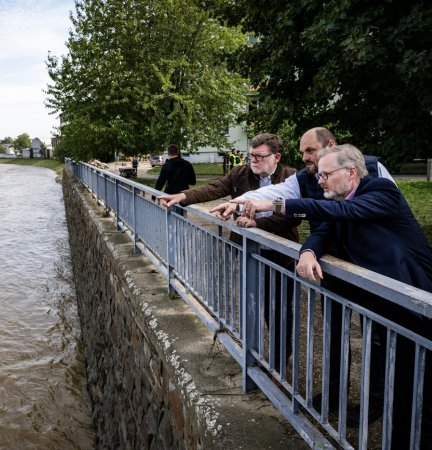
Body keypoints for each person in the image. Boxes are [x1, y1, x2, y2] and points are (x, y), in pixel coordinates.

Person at [234, 144, 432, 448]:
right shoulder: (338, 200)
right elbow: (322, 231)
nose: (320, 180)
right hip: (387, 308)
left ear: (350, 172)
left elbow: (344, 212)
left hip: (417, 306)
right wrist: (309, 251)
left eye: (326, 174)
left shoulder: (380, 190)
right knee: (401, 387)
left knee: (416, 389)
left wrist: (275, 206)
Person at [210, 127, 395, 421]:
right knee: (335, 330)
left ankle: (375, 404)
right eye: (302, 152)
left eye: (310, 151)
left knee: (376, 336)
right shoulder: (306, 178)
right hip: (333, 266)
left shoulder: (373, 172)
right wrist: (237, 203)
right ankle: (334, 393)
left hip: (373, 268)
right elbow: (274, 192)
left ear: (331, 146)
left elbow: (377, 216)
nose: (305, 158)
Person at [158, 133, 299, 376]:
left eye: (259, 156)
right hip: (247, 252)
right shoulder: (240, 174)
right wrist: (182, 196)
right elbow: (215, 188)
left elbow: (297, 214)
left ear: (276, 157)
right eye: (250, 155)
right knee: (253, 305)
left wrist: (256, 225)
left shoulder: (291, 177)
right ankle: (252, 357)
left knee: (281, 310)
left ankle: (280, 360)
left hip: (280, 255)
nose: (253, 160)